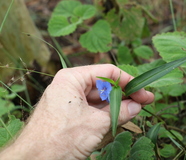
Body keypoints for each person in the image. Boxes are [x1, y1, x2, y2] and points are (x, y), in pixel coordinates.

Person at [0, 64, 154, 160]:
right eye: (103, 89)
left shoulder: (106, 89)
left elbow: (104, 91)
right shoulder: (104, 90)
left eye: (104, 89)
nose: (102, 91)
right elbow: (103, 92)